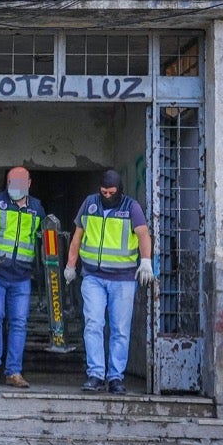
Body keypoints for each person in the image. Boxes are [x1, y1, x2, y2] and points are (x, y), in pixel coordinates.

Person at [63, 169, 153, 395]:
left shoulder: (131, 207)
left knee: (120, 329)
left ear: (120, 191)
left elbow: (143, 233)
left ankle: (115, 377)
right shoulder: (89, 204)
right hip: (92, 276)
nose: (107, 196)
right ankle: (95, 375)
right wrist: (70, 266)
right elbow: (77, 236)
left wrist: (146, 262)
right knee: (93, 324)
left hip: (123, 279)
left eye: (112, 192)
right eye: (103, 192)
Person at [0, 166, 45, 389]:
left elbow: (42, 238)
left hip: (22, 276)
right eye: (12, 183)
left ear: (29, 184)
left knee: (19, 323)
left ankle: (14, 372)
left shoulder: (37, 208)